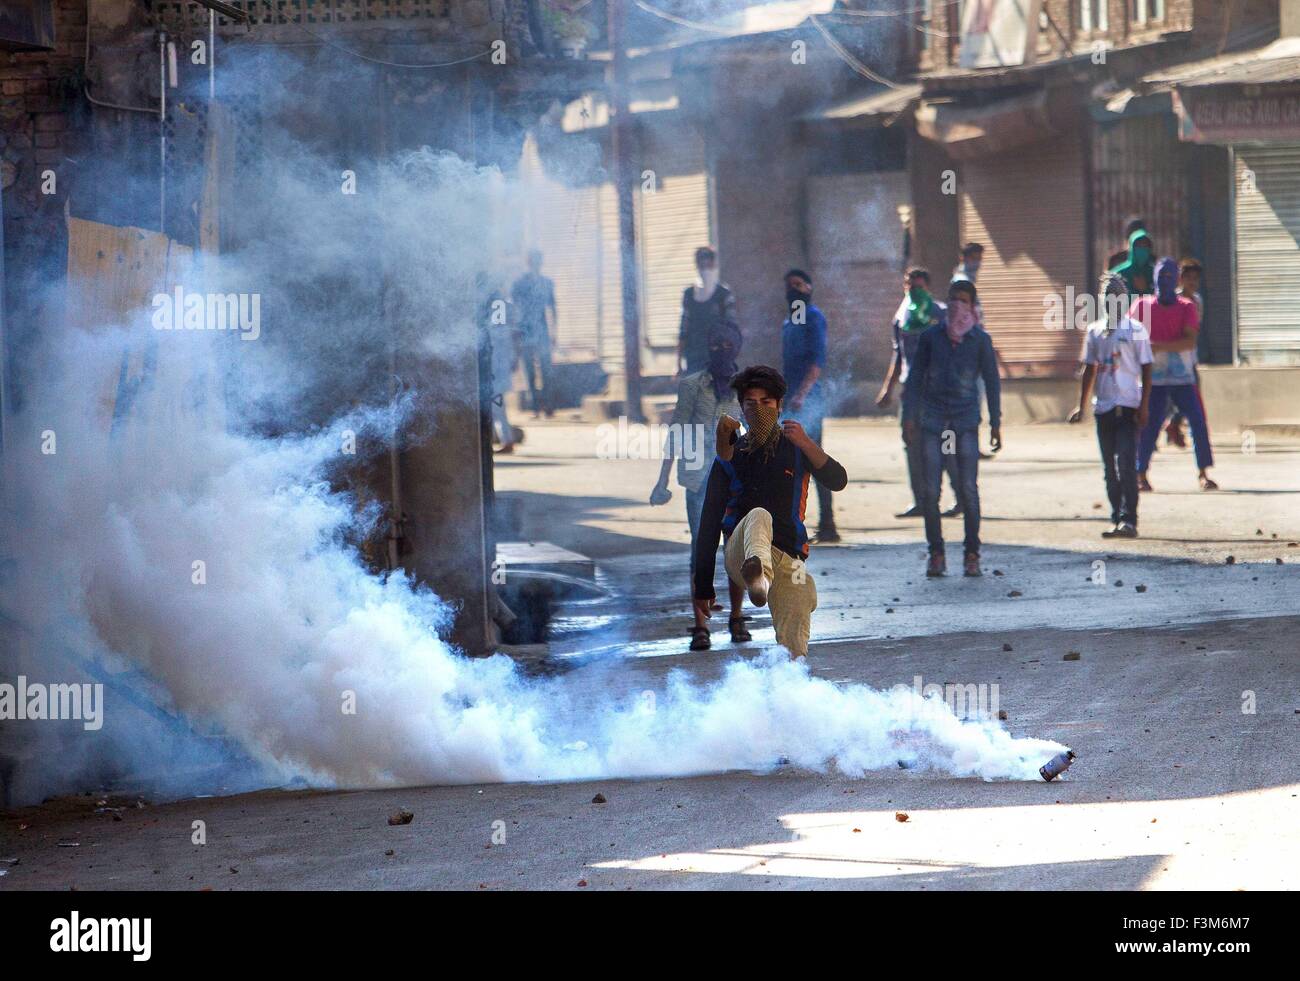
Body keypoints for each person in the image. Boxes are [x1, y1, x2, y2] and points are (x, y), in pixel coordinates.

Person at [693, 365, 848, 660]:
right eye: (751, 404)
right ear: (741, 410)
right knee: (759, 515)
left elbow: (837, 480)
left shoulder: (796, 448)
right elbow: (710, 521)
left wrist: (805, 442)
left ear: (779, 406)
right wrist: (703, 586)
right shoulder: (730, 454)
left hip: (789, 558)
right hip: (741, 554)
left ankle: (789, 694)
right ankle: (758, 577)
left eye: (766, 402)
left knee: (795, 647)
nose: (759, 409)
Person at [650, 322, 746, 652]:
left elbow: (756, 434)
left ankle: (736, 618)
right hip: (698, 480)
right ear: (708, 348)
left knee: (735, 551)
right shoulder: (692, 385)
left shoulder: (746, 388)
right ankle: (701, 626)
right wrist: (662, 479)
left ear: (737, 348)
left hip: (734, 481)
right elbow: (676, 431)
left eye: (728, 345)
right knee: (701, 552)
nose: (722, 350)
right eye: (716, 344)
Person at [903, 279, 1002, 578]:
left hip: (966, 422)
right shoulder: (931, 337)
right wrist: (909, 417)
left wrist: (996, 423)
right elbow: (916, 379)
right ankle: (937, 553)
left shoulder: (980, 340)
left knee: (968, 489)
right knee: (931, 490)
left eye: (963, 300)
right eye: (953, 299)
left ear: (972, 305)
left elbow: (992, 382)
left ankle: (972, 553)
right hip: (933, 422)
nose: (958, 305)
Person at [1067, 273, 1153, 538]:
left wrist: (1145, 406)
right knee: (1109, 467)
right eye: (1107, 297)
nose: (1111, 302)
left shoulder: (1136, 330)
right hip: (1104, 408)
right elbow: (1089, 371)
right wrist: (1081, 406)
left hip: (1128, 406)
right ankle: (1116, 516)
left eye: (1116, 297)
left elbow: (1147, 368)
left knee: (1126, 462)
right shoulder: (1095, 332)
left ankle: (1130, 519)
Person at [876, 267, 961, 519]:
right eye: (909, 285)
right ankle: (921, 500)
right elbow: (898, 354)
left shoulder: (941, 314)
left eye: (919, 286)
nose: (913, 290)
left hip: (938, 393)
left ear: (928, 287)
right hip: (911, 391)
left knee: (945, 445)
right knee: (911, 443)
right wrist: (887, 389)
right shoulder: (901, 316)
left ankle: (961, 498)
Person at [1133, 257, 1218, 491]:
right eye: (1161, 276)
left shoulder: (1187, 306)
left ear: (1176, 279)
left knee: (1198, 423)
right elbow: (1130, 336)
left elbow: (1189, 341)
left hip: (1183, 378)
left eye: (1170, 276)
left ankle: (1203, 473)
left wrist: (1157, 346)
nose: (1165, 281)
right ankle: (1140, 474)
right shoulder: (1142, 306)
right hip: (1153, 380)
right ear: (1154, 278)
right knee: (1148, 426)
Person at [781, 268, 839, 542]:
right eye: (790, 285)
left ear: (809, 288)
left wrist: (802, 395)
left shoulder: (813, 318)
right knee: (792, 463)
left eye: (799, 285)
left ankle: (828, 524)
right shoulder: (789, 323)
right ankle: (796, 524)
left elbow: (817, 363)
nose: (794, 289)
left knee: (813, 459)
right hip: (792, 401)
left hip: (808, 401)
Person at [677, 246, 738, 376]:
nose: (705, 266)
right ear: (697, 265)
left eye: (708, 262)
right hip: (694, 355)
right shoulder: (689, 295)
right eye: (701, 263)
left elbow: (731, 328)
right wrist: (678, 362)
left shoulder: (724, 294)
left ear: (714, 264)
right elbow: (683, 329)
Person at [511, 250, 557, 418]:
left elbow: (553, 308)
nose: (536, 264)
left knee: (545, 370)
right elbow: (514, 309)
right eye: (533, 261)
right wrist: (514, 332)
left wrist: (554, 332)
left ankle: (547, 406)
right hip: (525, 331)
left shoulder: (547, 283)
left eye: (538, 260)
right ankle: (537, 407)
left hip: (541, 331)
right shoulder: (519, 284)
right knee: (530, 370)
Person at [1110, 227, 1156, 296]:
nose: (1142, 250)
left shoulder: (1156, 274)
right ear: (1132, 248)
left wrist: (1145, 290)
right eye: (1139, 246)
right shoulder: (1118, 273)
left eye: (1145, 246)